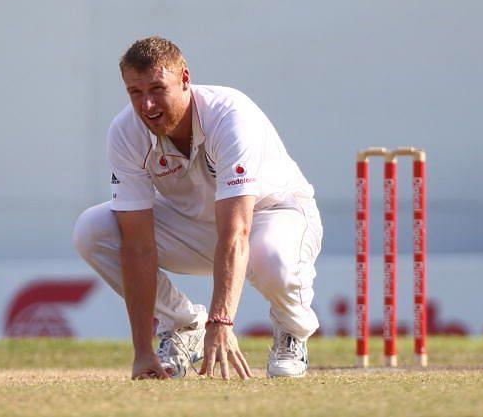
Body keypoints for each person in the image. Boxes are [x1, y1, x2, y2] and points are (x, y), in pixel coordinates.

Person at [73, 36, 323, 380]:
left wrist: (221, 322)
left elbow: (237, 231)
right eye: (135, 92)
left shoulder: (230, 115)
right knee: (93, 231)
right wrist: (142, 352)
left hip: (274, 215)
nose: (147, 105)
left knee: (271, 259)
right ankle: (181, 325)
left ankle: (291, 331)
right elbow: (138, 245)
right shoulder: (124, 132)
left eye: (157, 88)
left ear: (185, 79)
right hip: (198, 227)